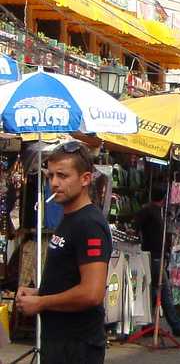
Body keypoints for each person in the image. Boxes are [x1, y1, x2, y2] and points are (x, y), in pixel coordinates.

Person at [17, 142, 112, 363]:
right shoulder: (69, 217)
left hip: (77, 345)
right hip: (59, 340)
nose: (54, 183)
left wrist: (42, 303)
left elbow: (92, 292)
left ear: (85, 179)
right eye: (50, 175)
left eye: (62, 175)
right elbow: (68, 280)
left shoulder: (89, 224)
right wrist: (39, 293)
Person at [134, 186, 180, 337]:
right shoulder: (149, 211)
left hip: (155, 255)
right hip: (153, 256)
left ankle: (149, 324)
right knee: (164, 292)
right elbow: (136, 228)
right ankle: (177, 327)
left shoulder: (153, 211)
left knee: (154, 292)